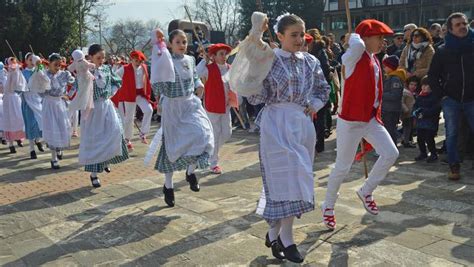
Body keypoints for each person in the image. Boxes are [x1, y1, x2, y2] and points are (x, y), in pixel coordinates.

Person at [242, 13, 330, 262]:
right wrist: (255, 68)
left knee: (299, 178)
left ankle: (273, 232)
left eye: (302, 34)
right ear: (279, 36)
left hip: (302, 125)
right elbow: (254, 96)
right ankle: (287, 239)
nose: (300, 39)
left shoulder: (310, 61)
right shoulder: (269, 60)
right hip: (275, 125)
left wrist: (313, 104)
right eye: (294, 35)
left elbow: (323, 89)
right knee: (284, 178)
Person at [322, 19, 399, 231]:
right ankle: (328, 206)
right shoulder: (355, 56)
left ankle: (366, 191)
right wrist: (356, 37)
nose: (383, 42)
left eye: (384, 38)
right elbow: (350, 52)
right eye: (379, 37)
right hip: (351, 121)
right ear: (365, 39)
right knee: (342, 167)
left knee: (391, 153)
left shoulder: (374, 58)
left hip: (371, 118)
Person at [150, 29, 213, 208]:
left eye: (184, 41)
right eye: (178, 42)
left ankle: (190, 172)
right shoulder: (165, 59)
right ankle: (168, 187)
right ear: (171, 43)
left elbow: (194, 78)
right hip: (172, 107)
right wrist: (159, 98)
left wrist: (199, 85)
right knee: (174, 147)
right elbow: (157, 77)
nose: (182, 45)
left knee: (203, 135)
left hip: (190, 104)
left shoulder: (191, 60)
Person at [428, 12, 474, 180]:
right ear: (450, 29)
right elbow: (433, 76)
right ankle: (454, 166)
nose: (462, 26)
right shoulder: (442, 50)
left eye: (464, 23)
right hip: (451, 99)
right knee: (452, 133)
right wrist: (442, 96)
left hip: (472, 98)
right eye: (458, 25)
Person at [78, 44, 129, 188]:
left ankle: (106, 159)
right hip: (93, 109)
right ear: (90, 57)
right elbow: (79, 87)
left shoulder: (107, 69)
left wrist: (112, 91)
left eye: (103, 57)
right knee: (96, 139)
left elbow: (117, 81)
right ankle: (94, 174)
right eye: (98, 58)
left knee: (115, 132)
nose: (101, 60)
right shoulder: (86, 71)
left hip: (107, 106)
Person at [196, 43, 234, 174]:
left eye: (225, 54)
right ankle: (214, 163)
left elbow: (234, 85)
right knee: (216, 134)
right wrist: (204, 60)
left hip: (226, 106)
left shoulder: (230, 68)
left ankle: (208, 151)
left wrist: (234, 98)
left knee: (227, 133)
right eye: (221, 54)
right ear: (214, 56)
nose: (224, 57)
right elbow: (196, 72)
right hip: (212, 106)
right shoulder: (208, 68)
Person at [113, 50, 154, 148]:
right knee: (129, 118)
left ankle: (143, 133)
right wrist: (120, 85)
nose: (138, 63)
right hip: (129, 95)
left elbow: (147, 80)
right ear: (131, 60)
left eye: (140, 61)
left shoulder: (144, 67)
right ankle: (127, 139)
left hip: (140, 94)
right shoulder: (125, 68)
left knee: (149, 110)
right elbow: (114, 77)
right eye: (136, 61)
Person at [43, 53, 75, 169]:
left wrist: (69, 95)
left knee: (63, 127)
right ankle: (53, 158)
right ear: (49, 64)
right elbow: (37, 89)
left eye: (59, 64)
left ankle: (60, 148)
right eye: (55, 64)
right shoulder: (43, 75)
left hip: (61, 103)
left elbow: (75, 83)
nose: (57, 67)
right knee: (52, 128)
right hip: (49, 104)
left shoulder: (64, 74)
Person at [21, 53, 45, 159]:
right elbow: (19, 86)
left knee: (40, 122)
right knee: (30, 125)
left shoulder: (38, 71)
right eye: (30, 59)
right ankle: (31, 149)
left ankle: (38, 140)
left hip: (38, 100)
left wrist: (39, 66)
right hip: (28, 101)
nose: (32, 61)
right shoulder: (22, 73)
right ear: (26, 61)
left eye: (33, 59)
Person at [413, 76, 441, 163]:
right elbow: (415, 106)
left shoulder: (435, 97)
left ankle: (433, 154)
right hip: (420, 122)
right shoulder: (420, 96)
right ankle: (423, 152)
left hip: (430, 122)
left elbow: (436, 109)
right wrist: (416, 112)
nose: (424, 87)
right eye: (423, 85)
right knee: (420, 138)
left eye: (426, 85)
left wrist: (424, 112)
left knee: (429, 138)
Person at [3, 57, 26, 153]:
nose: (13, 64)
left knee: (19, 118)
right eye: (11, 62)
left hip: (16, 98)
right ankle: (11, 143)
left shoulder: (17, 72)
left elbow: (20, 85)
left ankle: (19, 138)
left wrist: (17, 69)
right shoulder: (7, 73)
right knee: (9, 120)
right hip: (9, 99)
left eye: (14, 62)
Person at [381, 55, 406, 145]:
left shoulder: (395, 79)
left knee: (390, 130)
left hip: (391, 109)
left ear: (391, 67)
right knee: (388, 129)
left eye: (386, 66)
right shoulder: (390, 77)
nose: (384, 68)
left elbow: (395, 95)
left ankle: (391, 147)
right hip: (387, 108)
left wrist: (381, 94)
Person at [401, 76, 418, 148]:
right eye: (411, 84)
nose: (413, 86)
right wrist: (405, 109)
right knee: (407, 127)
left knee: (410, 127)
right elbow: (401, 102)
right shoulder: (405, 92)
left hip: (412, 113)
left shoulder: (414, 93)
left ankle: (407, 139)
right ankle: (406, 141)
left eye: (415, 85)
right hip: (407, 113)